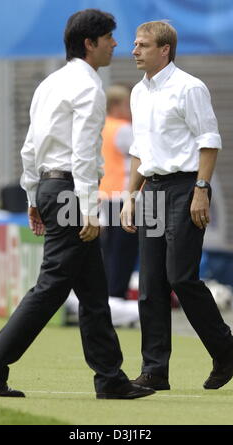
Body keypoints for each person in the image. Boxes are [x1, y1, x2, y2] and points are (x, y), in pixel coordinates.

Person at [0, 9, 154, 400]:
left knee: (92, 288)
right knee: (52, 286)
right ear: (90, 43)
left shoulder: (50, 83)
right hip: (72, 192)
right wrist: (88, 208)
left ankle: (109, 378)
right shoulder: (88, 88)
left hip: (52, 188)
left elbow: (31, 145)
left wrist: (33, 195)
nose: (116, 44)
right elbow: (84, 155)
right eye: (109, 37)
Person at [121, 21, 233, 390]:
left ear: (165, 50)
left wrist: (201, 189)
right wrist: (130, 196)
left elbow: (209, 140)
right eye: (134, 44)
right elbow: (138, 151)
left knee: (180, 276)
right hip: (153, 190)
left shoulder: (190, 87)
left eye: (142, 45)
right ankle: (155, 371)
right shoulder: (137, 93)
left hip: (185, 186)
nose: (134, 50)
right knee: (150, 285)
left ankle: (225, 347)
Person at [99, 85, 139, 325]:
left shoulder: (102, 126)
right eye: (126, 105)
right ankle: (117, 301)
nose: (130, 110)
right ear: (116, 106)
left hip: (106, 196)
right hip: (123, 198)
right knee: (124, 254)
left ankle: (109, 300)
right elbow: (142, 153)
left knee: (111, 253)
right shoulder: (124, 129)